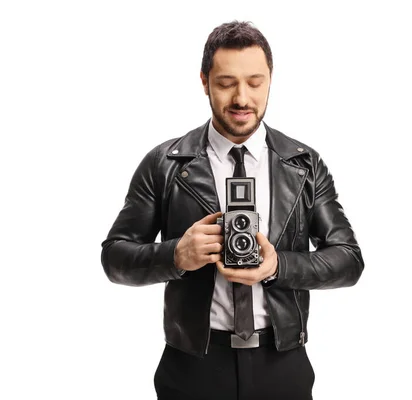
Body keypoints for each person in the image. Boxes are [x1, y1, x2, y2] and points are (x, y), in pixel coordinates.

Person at [100, 20, 364, 400]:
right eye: (226, 83)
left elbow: (348, 260)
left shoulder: (304, 165)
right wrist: (176, 254)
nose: (242, 98)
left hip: (282, 362)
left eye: (255, 82)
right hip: (193, 365)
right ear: (205, 81)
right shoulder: (164, 164)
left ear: (270, 79)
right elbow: (115, 257)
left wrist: (278, 266)